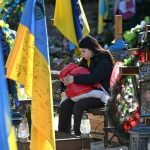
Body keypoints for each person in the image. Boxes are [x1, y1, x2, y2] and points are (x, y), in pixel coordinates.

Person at [58, 35, 114, 136]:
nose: (82, 54)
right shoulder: (87, 59)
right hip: (86, 92)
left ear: (92, 49)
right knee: (65, 105)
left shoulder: (105, 59)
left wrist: (73, 79)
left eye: (84, 51)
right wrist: (66, 79)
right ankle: (63, 135)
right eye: (81, 52)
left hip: (102, 95)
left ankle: (78, 136)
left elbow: (94, 79)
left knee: (79, 105)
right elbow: (78, 72)